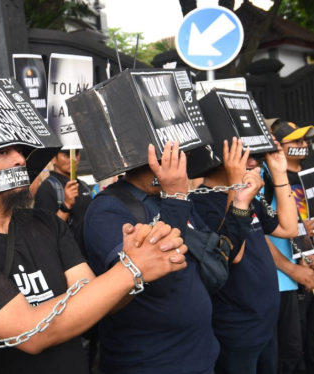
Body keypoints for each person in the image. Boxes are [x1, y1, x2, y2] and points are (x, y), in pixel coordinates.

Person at [0, 143, 189, 374]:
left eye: (20, 151)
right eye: (3, 152)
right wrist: (129, 270)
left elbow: (95, 299)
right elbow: (30, 333)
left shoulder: (45, 222)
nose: (20, 160)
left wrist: (137, 265)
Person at [85, 140, 259, 374]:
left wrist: (240, 203)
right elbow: (156, 283)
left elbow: (217, 257)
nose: (182, 162)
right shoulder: (108, 210)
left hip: (201, 356)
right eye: (173, 155)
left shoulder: (171, 198)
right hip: (151, 362)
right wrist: (175, 198)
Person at [191, 138, 298, 374]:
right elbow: (231, 255)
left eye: (256, 155)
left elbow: (289, 228)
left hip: (265, 324)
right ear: (220, 158)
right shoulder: (199, 202)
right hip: (236, 330)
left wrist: (280, 174)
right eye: (245, 154)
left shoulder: (250, 196)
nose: (254, 161)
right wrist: (237, 188)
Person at [266, 120, 314, 373]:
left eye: (304, 140)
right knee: (289, 350)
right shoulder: (266, 178)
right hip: (282, 280)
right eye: (295, 141)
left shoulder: (308, 177)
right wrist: (294, 267)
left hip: (304, 273)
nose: (303, 145)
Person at [34, 149, 94, 238]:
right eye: (67, 155)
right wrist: (66, 205)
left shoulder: (83, 185)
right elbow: (46, 233)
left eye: (76, 153)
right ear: (53, 159)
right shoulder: (47, 188)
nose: (74, 159)